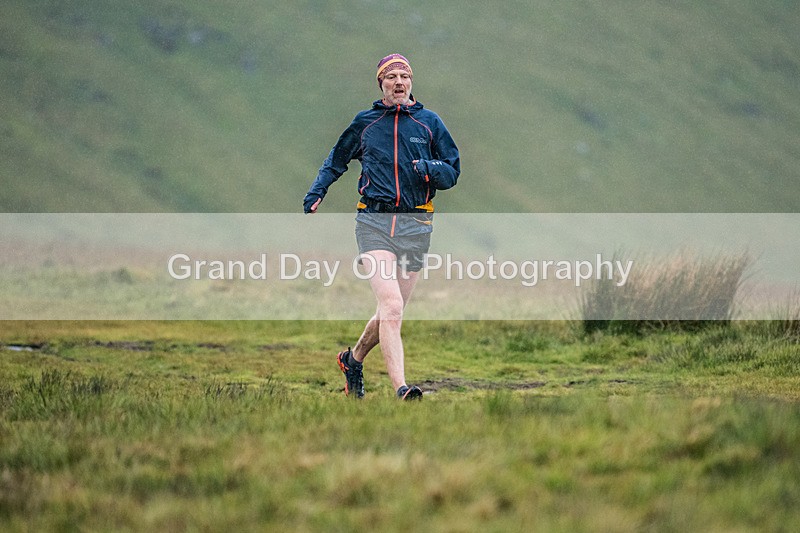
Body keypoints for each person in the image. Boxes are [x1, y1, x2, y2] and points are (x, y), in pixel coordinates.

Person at [303, 53, 460, 401]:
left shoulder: (430, 123)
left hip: (416, 224)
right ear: (381, 83)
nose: (399, 82)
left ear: (411, 82)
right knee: (391, 307)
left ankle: (352, 359)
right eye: (392, 77)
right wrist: (318, 191)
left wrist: (430, 168)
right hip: (373, 222)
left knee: (393, 309)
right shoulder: (366, 123)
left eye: (405, 76)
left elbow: (452, 172)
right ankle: (402, 388)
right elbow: (336, 160)